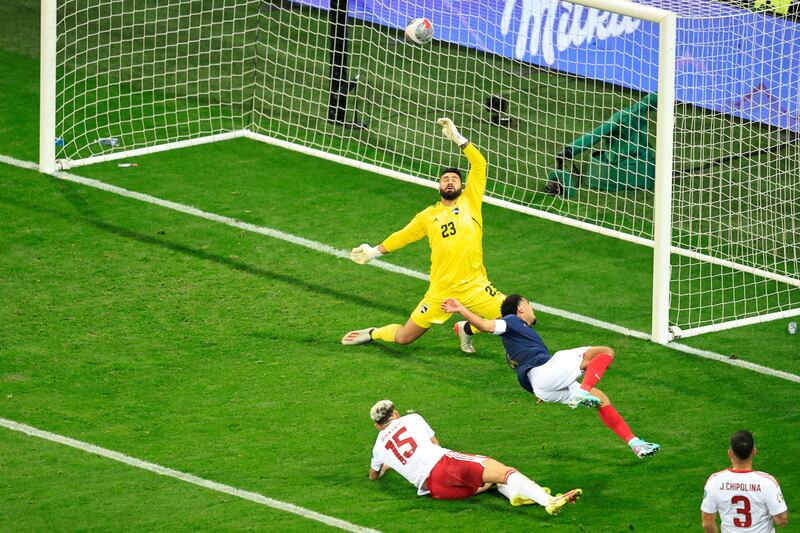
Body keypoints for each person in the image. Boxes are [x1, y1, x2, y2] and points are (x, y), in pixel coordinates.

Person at [342, 118, 505, 353]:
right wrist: (374, 252)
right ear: (439, 186)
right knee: (403, 338)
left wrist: (458, 139)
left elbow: (479, 165)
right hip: (441, 291)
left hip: (477, 287)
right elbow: (404, 236)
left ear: (461, 186)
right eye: (445, 179)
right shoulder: (428, 216)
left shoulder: (471, 202)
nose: (450, 181)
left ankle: (466, 329)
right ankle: (373, 333)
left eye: (454, 179)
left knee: (521, 319)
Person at [441, 294, 660, 459]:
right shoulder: (511, 321)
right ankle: (582, 392)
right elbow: (487, 325)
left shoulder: (514, 338)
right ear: (520, 308)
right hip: (546, 370)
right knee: (604, 352)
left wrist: (542, 391)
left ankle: (636, 444)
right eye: (529, 304)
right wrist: (461, 308)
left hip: (541, 386)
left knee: (601, 399)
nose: (532, 308)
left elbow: (521, 370)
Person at [367, 399, 582, 515]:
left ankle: (514, 496)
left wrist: (388, 465)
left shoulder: (378, 447)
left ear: (377, 425)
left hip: (435, 490)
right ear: (396, 413)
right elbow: (436, 445)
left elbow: (373, 475)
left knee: (491, 481)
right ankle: (549, 501)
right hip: (444, 465)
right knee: (503, 471)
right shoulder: (411, 419)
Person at [701, 430, 789, 532]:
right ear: (754, 451)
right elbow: (782, 521)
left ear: (730, 453)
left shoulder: (714, 481)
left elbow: (707, 522)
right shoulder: (768, 482)